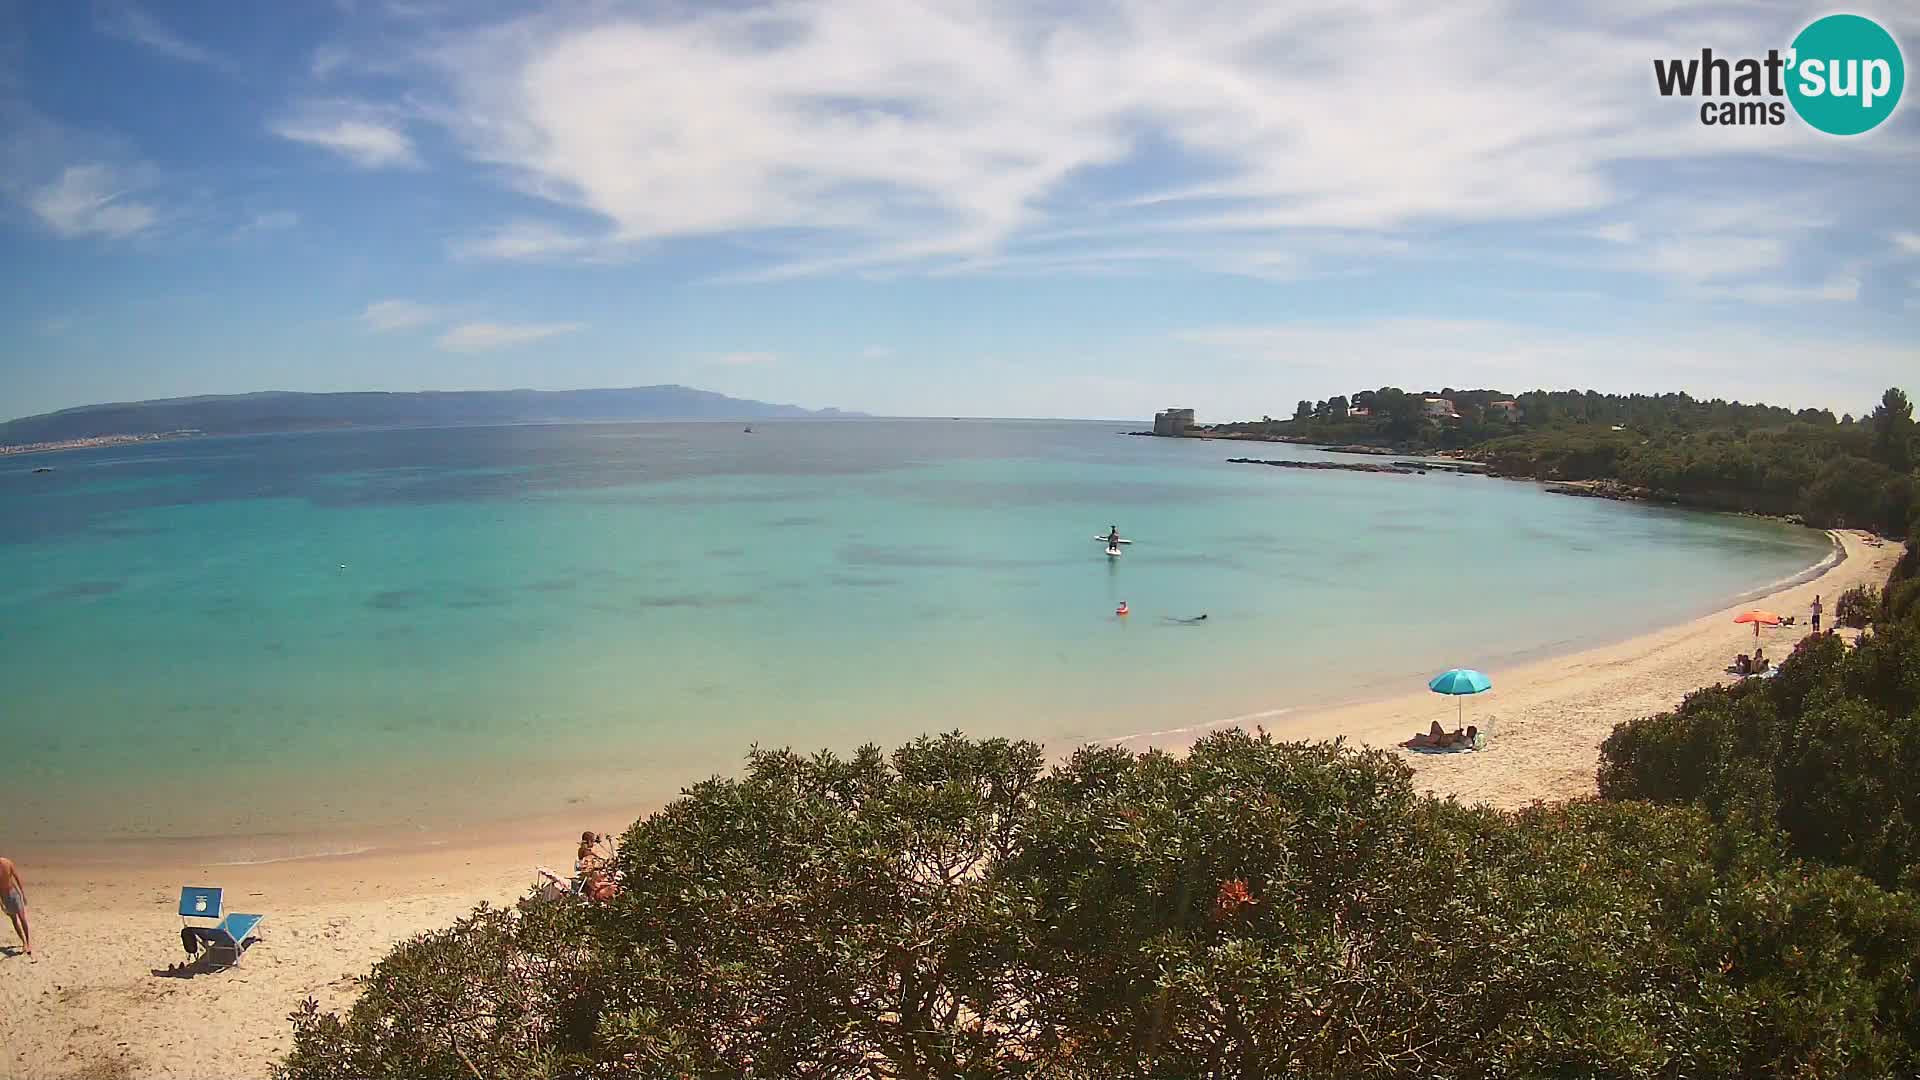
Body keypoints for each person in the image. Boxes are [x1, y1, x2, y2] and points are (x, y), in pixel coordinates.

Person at [1, 856, 29, 957]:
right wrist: (1, 904)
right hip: (4, 896)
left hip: (14, 893)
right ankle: (23, 942)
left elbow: (17, 878)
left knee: (22, 918)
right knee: (14, 919)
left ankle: (28, 942)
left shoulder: (7, 863)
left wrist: (23, 894)